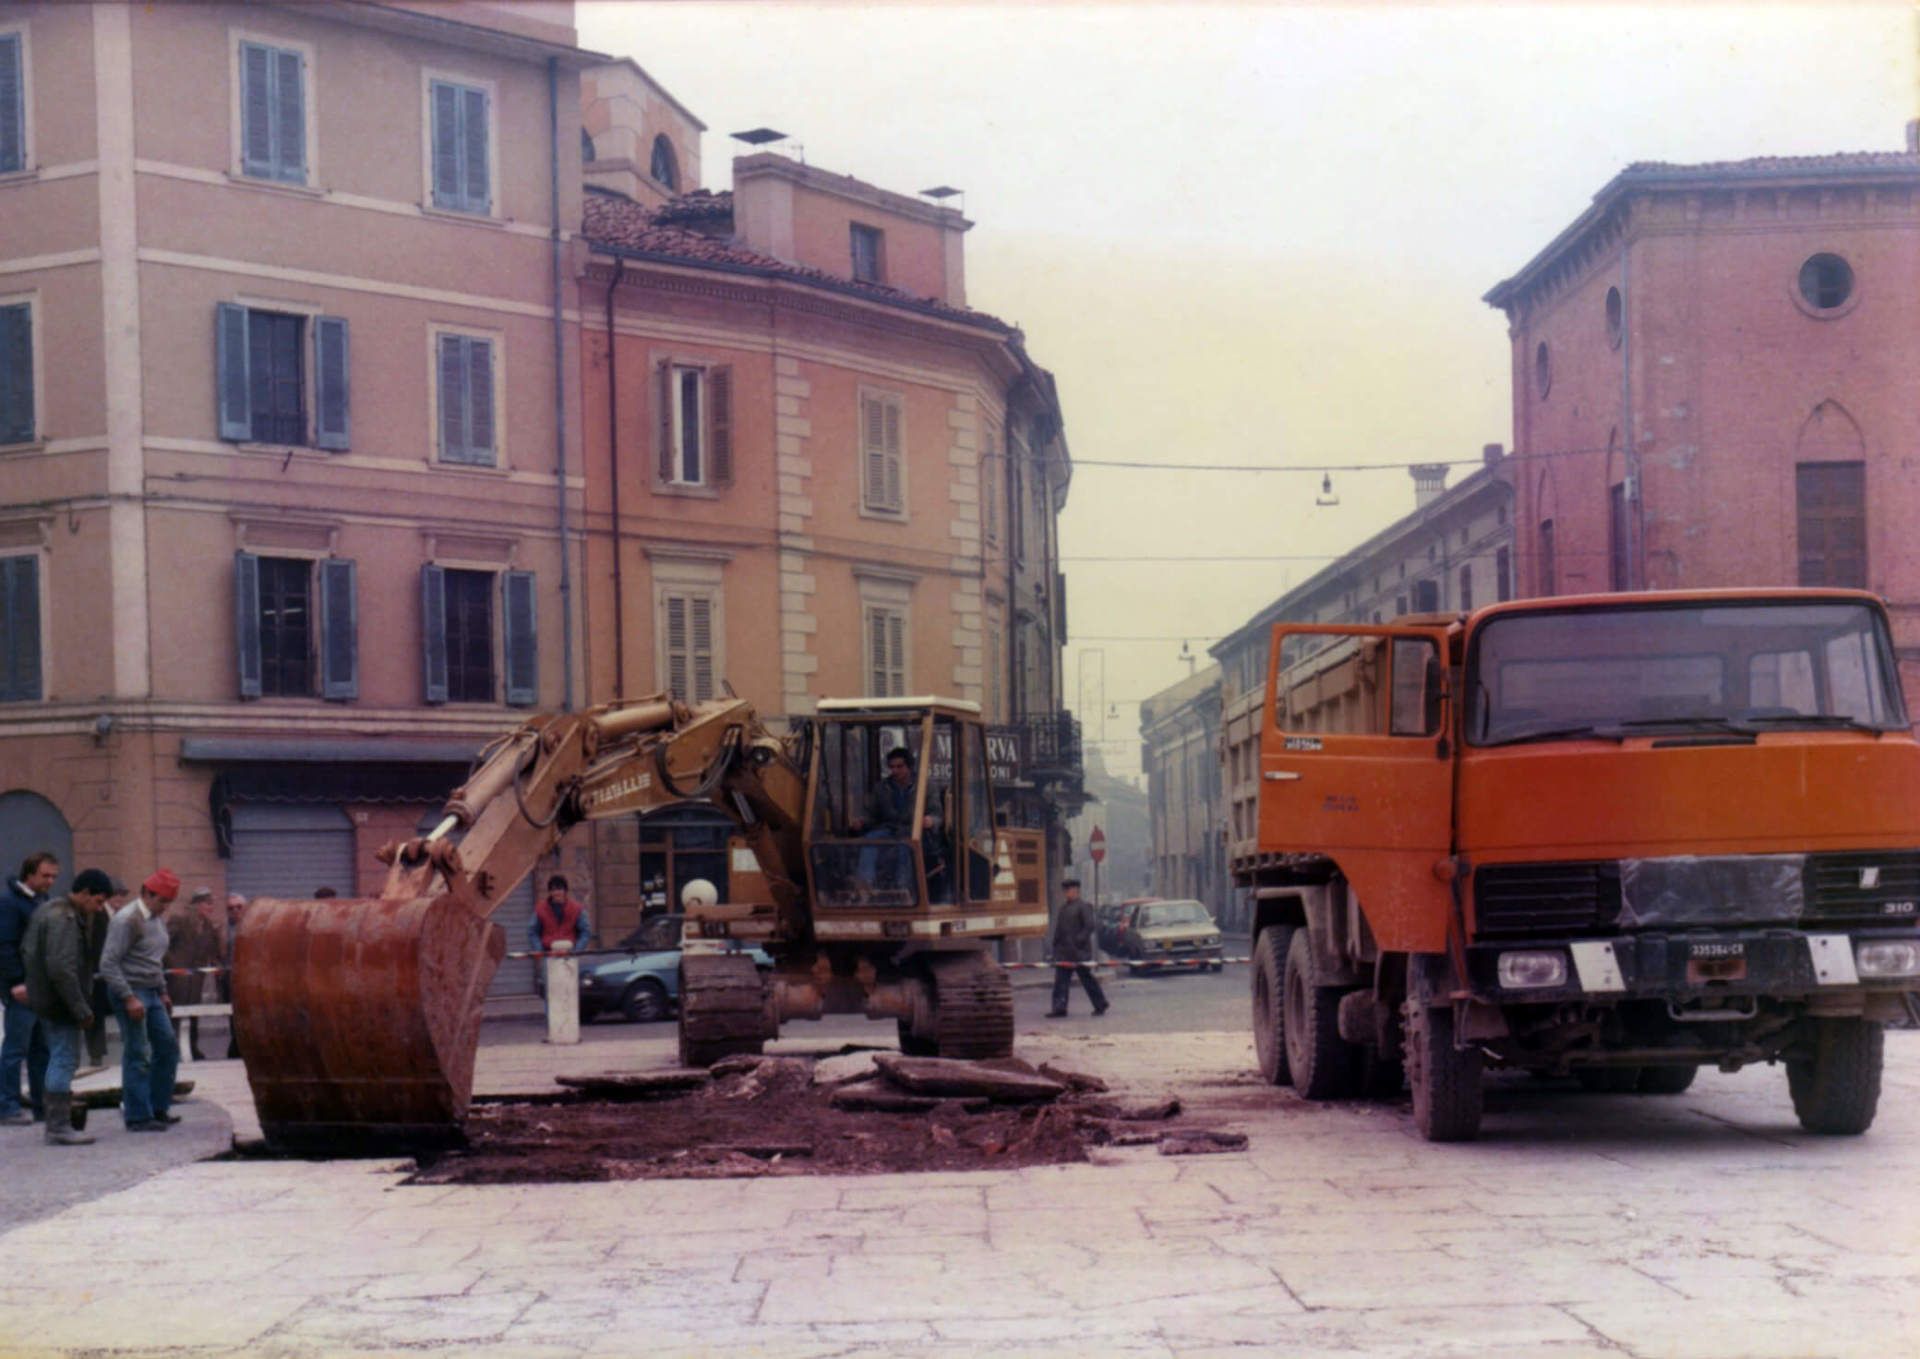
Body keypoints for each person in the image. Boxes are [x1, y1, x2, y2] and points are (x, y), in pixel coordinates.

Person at [21, 868, 114, 1146]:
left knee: (58, 1058)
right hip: (59, 1004)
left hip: (49, 1000)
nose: (99, 909)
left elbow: (29, 952)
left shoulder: (50, 910)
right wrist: (80, 1008)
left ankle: (56, 1124)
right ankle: (58, 1127)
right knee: (63, 1060)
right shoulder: (64, 918)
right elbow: (62, 969)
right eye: (98, 902)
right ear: (84, 893)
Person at [100, 869, 182, 1131]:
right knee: (138, 1052)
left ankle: (158, 1107)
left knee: (167, 1046)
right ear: (147, 893)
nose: (165, 908)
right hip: (131, 991)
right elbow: (108, 964)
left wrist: (163, 990)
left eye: (169, 903)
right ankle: (137, 1116)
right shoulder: (127, 920)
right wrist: (128, 997)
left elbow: (153, 960)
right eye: (162, 902)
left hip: (151, 990)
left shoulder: (156, 919)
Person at [0, 850, 58, 1125]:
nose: (50, 881)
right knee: (15, 1049)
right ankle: (7, 1106)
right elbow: (6, 946)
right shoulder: (11, 903)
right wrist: (16, 982)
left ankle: (40, 1104)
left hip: (41, 989)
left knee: (41, 1049)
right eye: (45, 876)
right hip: (24, 990)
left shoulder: (41, 901)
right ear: (29, 874)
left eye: (53, 876)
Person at [851, 747, 937, 895]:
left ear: (909, 767)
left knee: (905, 846)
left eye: (899, 766)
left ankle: (902, 889)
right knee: (869, 840)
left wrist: (930, 820)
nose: (895, 771)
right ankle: (865, 885)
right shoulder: (881, 788)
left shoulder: (926, 787)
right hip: (889, 829)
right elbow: (873, 814)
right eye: (892, 767)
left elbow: (937, 813)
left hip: (914, 831)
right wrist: (862, 821)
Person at [164, 887, 223, 1061]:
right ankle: (171, 1049)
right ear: (196, 904)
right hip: (177, 977)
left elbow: (213, 952)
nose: (211, 907)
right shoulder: (179, 920)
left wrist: (217, 966)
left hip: (197, 979)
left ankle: (192, 1046)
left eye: (212, 904)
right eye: (207, 903)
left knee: (193, 1013)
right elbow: (163, 944)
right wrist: (173, 965)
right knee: (174, 1013)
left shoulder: (209, 926)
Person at [1046, 877, 1109, 1018]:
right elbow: (1059, 930)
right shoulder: (1063, 909)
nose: (1067, 893)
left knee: (1087, 979)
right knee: (1060, 981)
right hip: (1064, 953)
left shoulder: (1083, 906)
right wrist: (1055, 946)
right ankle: (1059, 1008)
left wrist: (1078, 940)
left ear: (1076, 891)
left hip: (1079, 951)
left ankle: (1101, 1003)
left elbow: (1089, 926)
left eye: (1069, 890)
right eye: (1065, 891)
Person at [529, 875, 591, 999]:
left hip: (569, 957)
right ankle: (552, 1019)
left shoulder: (577, 909)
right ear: (550, 892)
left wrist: (577, 950)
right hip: (549, 956)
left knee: (569, 992)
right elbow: (532, 931)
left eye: (560, 889)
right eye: (553, 889)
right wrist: (540, 950)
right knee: (550, 993)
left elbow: (585, 932)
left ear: (565, 891)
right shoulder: (540, 909)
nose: (557, 893)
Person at [222, 893, 246, 1060]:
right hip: (229, 980)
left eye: (239, 907)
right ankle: (236, 1045)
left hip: (247, 980)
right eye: (231, 908)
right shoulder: (223, 931)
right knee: (232, 1014)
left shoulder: (254, 926)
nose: (235, 911)